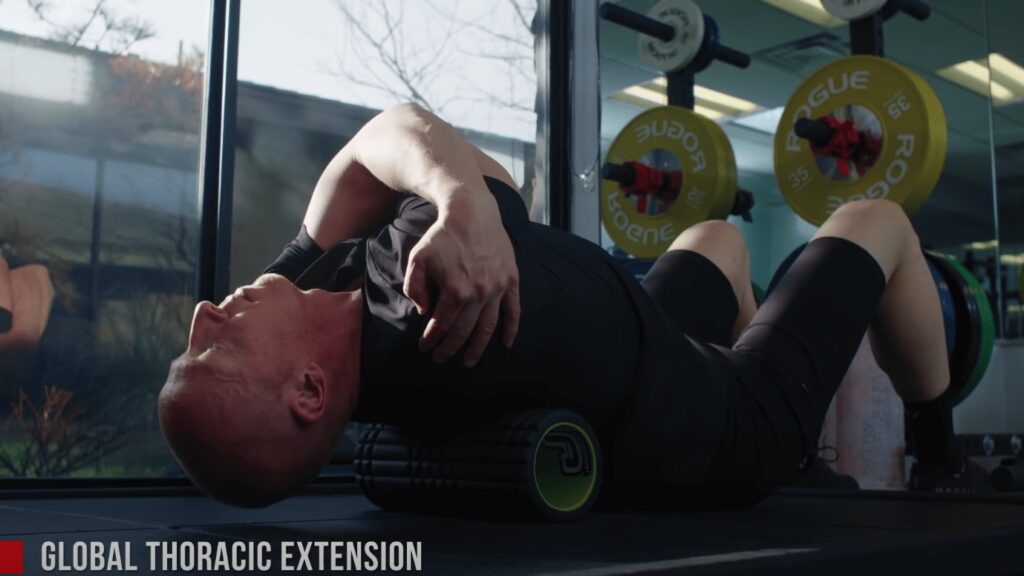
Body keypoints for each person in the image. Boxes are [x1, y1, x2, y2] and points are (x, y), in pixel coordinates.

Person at [158, 103, 984, 509]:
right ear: (308, 392)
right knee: (875, 220)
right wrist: (468, 199)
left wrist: (455, 193)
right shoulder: (435, 303)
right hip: (730, 427)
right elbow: (435, 151)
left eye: (189, 343)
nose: (203, 317)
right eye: (216, 351)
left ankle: (761, 351)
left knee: (715, 239)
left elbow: (375, 145)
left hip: (649, 338)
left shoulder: (310, 301)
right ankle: (942, 439)